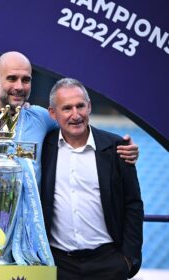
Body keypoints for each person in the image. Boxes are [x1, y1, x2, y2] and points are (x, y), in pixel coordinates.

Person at [0, 51, 139, 185]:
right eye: (12, 78)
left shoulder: (42, 117)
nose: (19, 86)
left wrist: (118, 146)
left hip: (29, 228)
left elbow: (78, 126)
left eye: (26, 80)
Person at [41, 78, 143, 280]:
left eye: (80, 106)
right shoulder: (44, 148)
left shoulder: (117, 147)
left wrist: (128, 260)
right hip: (58, 264)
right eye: (67, 108)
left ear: (89, 107)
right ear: (53, 113)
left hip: (108, 263)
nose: (75, 115)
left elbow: (133, 203)